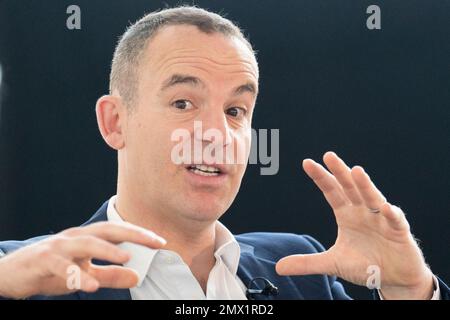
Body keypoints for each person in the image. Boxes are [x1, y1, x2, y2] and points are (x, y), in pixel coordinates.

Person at [0, 6, 448, 300]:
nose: (216, 134)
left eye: (236, 110)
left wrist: (410, 289)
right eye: (183, 103)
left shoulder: (304, 272)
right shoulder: (25, 275)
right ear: (115, 122)